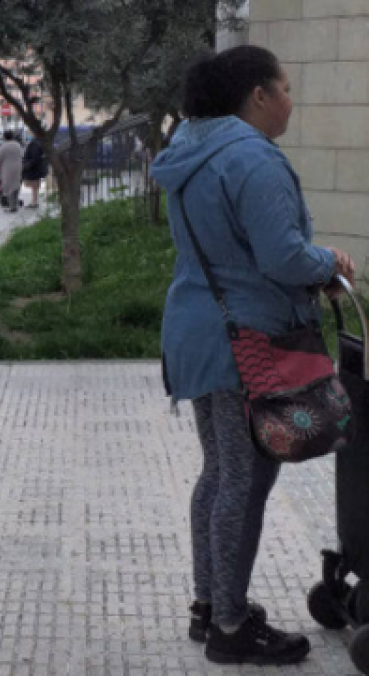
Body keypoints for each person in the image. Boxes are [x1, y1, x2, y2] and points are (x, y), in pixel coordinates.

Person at [151, 45, 357, 667]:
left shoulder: (191, 151)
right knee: (244, 479)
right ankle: (231, 626)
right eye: (286, 88)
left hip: (200, 330)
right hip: (248, 341)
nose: (292, 100)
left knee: (220, 473)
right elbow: (282, 256)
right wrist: (328, 263)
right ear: (259, 96)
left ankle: (210, 606)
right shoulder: (252, 158)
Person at [0, 130, 24, 213]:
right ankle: (14, 204)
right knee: (16, 186)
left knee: (8, 187)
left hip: (7, 169)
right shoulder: (18, 145)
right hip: (18, 168)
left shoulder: (3, 147)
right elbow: (22, 155)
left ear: (4, 137)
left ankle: (12, 206)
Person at [21, 137, 49, 210]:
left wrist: (27, 165)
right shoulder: (40, 142)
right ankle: (34, 201)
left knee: (34, 186)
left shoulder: (34, 143)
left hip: (33, 169)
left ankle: (34, 202)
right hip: (37, 168)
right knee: (35, 187)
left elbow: (34, 158)